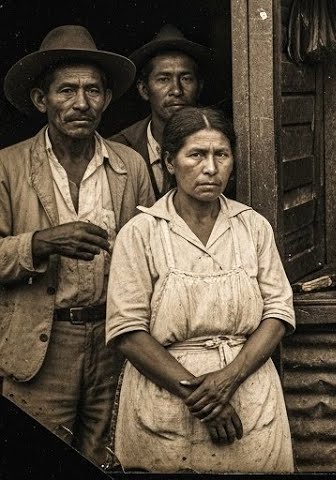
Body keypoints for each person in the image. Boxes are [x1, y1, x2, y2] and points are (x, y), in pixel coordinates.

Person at [106, 107, 295, 471]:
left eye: (221, 155)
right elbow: (127, 332)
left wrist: (230, 378)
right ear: (170, 162)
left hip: (249, 395)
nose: (211, 168)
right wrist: (201, 395)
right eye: (196, 155)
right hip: (166, 400)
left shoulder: (252, 226)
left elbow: (278, 312)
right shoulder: (142, 233)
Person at [0, 24, 154, 467]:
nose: (81, 103)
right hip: (41, 346)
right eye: (66, 90)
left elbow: (148, 253)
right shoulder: (9, 167)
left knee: (108, 458)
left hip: (113, 341)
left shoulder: (129, 165)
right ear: (40, 100)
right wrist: (42, 243)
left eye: (92, 91)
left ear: (107, 98)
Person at [111, 24, 213, 199]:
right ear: (144, 90)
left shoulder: (218, 145)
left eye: (186, 78)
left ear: (199, 87)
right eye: (164, 79)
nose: (176, 90)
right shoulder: (119, 149)